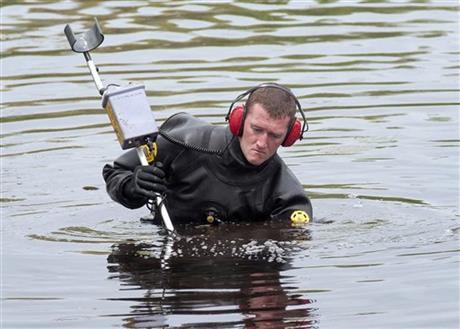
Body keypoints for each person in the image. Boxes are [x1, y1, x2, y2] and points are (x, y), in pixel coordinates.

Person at [103, 83, 313, 225]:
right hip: (171, 268)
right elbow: (115, 172)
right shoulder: (183, 142)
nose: (261, 143)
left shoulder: (287, 195)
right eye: (256, 129)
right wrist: (132, 187)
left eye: (274, 135)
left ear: (289, 137)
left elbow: (291, 248)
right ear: (238, 121)